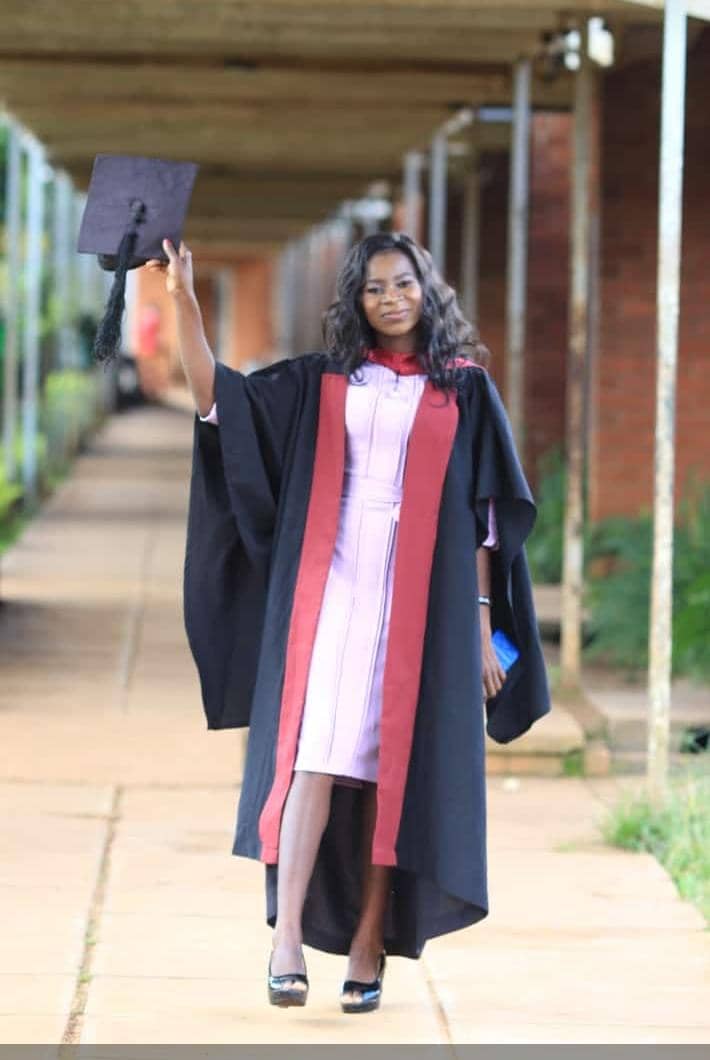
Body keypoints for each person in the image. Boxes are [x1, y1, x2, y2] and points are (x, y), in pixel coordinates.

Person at [145, 230, 551, 1014]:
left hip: (420, 603)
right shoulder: (322, 379)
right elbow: (217, 398)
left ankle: (370, 943)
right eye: (374, 288)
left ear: (426, 290)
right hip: (331, 591)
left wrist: (477, 621)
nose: (391, 299)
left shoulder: (465, 388)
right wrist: (185, 301)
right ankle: (287, 939)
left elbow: (484, 520)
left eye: (403, 284)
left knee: (390, 771)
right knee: (315, 756)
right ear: (355, 301)